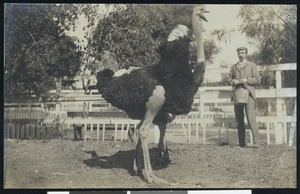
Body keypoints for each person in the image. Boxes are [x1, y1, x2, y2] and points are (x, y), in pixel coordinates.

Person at [228, 47, 262, 148]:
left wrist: (247, 80)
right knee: (239, 119)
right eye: (239, 53)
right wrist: (233, 81)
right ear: (237, 54)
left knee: (251, 118)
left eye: (242, 53)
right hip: (237, 94)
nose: (240, 55)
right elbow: (229, 78)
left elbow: (258, 80)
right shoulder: (234, 67)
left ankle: (257, 143)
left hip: (249, 94)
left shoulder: (251, 65)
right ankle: (242, 143)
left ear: (246, 54)